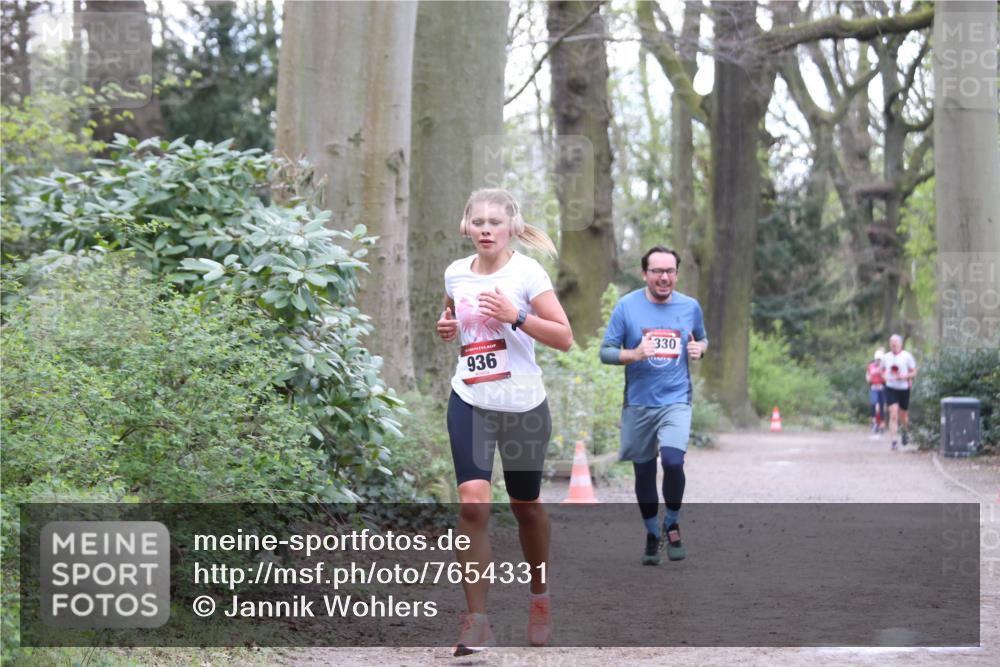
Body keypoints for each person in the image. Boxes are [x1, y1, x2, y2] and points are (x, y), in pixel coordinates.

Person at [435, 188, 573, 656]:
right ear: (466, 227)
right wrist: (448, 327)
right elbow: (454, 315)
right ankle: (477, 622)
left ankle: (539, 596)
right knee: (473, 505)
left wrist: (517, 316)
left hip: (522, 407)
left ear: (512, 227)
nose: (487, 229)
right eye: (479, 222)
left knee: (525, 505)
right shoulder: (456, 273)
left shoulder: (528, 273)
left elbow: (564, 337)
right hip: (471, 400)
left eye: (496, 221)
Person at [599, 246, 708, 566]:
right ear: (645, 273)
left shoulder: (690, 306)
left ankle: (671, 523)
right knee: (644, 472)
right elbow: (605, 352)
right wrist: (633, 354)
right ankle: (651, 531)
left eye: (670, 271)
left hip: (676, 399)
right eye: (657, 271)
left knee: (673, 461)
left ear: (677, 273)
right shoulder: (627, 306)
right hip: (638, 403)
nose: (664, 277)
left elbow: (702, 338)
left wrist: (699, 348)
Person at [880, 334, 917, 450]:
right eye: (891, 342)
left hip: (904, 388)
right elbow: (881, 370)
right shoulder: (886, 357)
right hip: (891, 388)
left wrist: (904, 376)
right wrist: (884, 378)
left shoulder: (907, 356)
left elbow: (914, 372)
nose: (893, 344)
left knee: (903, 415)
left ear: (900, 344)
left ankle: (905, 431)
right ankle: (894, 441)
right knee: (894, 414)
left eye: (895, 342)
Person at [866, 348, 887, 434]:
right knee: (873, 404)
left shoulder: (884, 367)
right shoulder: (871, 366)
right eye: (877, 359)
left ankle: (881, 424)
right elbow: (868, 377)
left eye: (879, 359)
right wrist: (870, 378)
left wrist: (881, 372)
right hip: (874, 388)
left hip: (882, 388)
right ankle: (874, 422)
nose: (878, 361)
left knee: (881, 407)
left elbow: (886, 379)